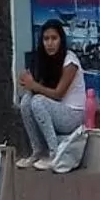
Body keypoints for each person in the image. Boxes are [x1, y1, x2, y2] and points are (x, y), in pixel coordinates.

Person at [18, 18, 86, 171]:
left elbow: (57, 94)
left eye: (54, 38)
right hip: (56, 110)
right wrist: (27, 82)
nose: (49, 43)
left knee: (37, 101)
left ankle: (54, 154)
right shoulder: (45, 60)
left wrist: (33, 85)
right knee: (26, 100)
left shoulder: (70, 62)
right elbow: (40, 90)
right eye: (46, 39)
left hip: (73, 114)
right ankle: (37, 151)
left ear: (61, 40)